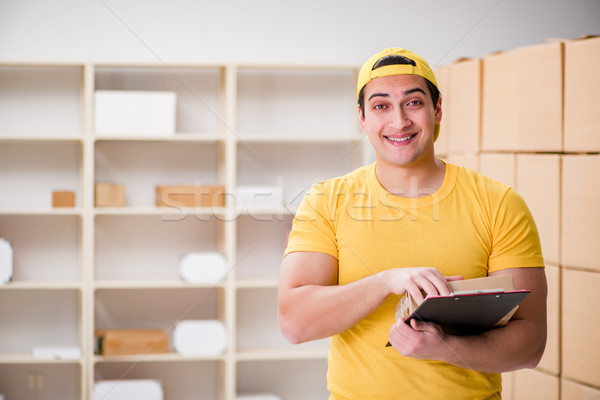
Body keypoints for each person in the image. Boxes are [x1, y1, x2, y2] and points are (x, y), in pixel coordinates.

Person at [277, 47, 547, 399]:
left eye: (414, 102)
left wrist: (444, 346)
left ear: (437, 111)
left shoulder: (498, 203)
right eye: (380, 106)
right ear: (362, 118)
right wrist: (385, 281)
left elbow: (530, 345)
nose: (399, 121)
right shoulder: (326, 201)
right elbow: (294, 324)